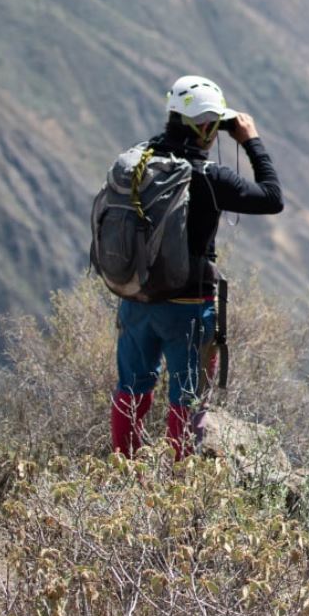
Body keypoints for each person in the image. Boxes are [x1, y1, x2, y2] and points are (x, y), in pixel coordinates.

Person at [110, 75, 283, 458]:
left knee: (131, 391)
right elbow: (272, 198)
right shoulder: (208, 176)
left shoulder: (140, 162)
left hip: (137, 297)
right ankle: (182, 489)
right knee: (186, 401)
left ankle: (123, 475)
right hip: (189, 307)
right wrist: (251, 141)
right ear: (206, 126)